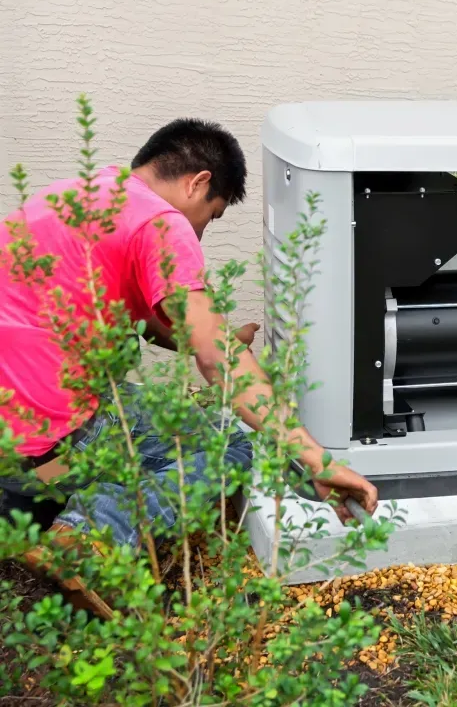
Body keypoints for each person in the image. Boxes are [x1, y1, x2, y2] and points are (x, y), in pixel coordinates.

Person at [0, 118, 379, 615]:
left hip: (13, 426)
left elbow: (138, 317)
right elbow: (219, 362)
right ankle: (86, 538)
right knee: (237, 443)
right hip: (50, 432)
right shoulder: (162, 222)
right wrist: (317, 459)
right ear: (198, 182)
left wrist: (206, 334)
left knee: (167, 415)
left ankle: (37, 496)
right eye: (212, 215)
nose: (199, 231)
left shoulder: (75, 194)